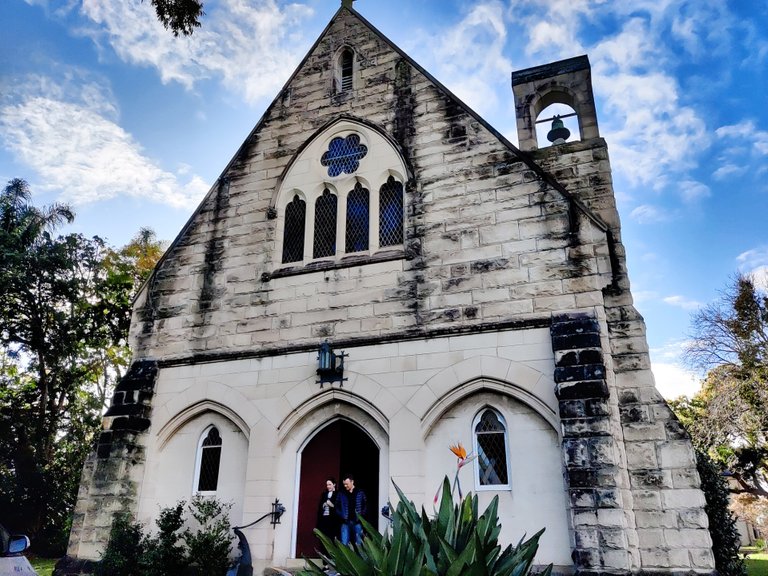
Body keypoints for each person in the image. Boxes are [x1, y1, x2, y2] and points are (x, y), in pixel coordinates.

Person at [336, 473, 367, 546]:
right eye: (344, 484)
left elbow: (365, 505)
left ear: (352, 482)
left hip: (357, 522)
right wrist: (342, 515)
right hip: (345, 523)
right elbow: (336, 506)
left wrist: (361, 515)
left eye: (347, 484)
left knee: (359, 544)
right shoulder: (341, 493)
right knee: (344, 544)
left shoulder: (360, 492)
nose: (345, 486)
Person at [316, 477, 340, 546]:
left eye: (330, 484)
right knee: (324, 537)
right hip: (324, 518)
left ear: (334, 484)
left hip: (333, 520)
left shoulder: (338, 494)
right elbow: (320, 507)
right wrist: (323, 505)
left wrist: (332, 505)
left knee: (332, 537)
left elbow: (339, 507)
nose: (328, 486)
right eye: (327, 485)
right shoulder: (324, 494)